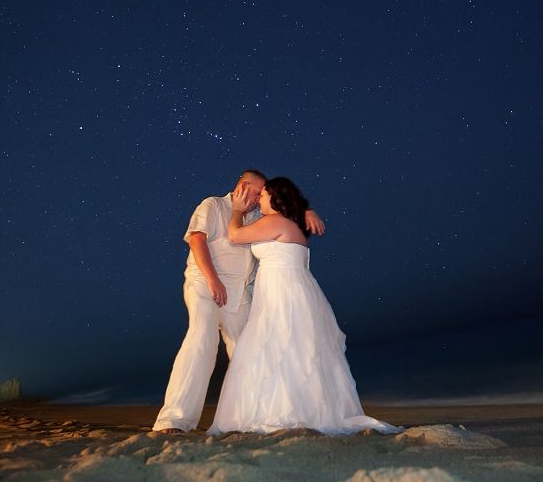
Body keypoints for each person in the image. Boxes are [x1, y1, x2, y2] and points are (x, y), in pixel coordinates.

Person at [207, 177, 401, 435]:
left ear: (276, 198)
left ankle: (280, 411)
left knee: (277, 346)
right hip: (294, 289)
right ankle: (297, 407)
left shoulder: (274, 222)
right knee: (293, 349)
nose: (259, 199)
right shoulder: (290, 223)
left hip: (282, 292)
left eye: (263, 195)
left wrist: (237, 210)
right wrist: (306, 209)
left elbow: (235, 235)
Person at [152, 169, 325, 434]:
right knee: (201, 342)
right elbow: (197, 241)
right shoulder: (214, 205)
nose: (258, 198)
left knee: (248, 353)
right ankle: (174, 421)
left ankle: (252, 417)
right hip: (205, 285)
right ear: (243, 187)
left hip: (240, 294)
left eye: (261, 195)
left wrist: (306, 212)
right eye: (256, 192)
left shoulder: (258, 215)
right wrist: (213, 280)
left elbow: (283, 218)